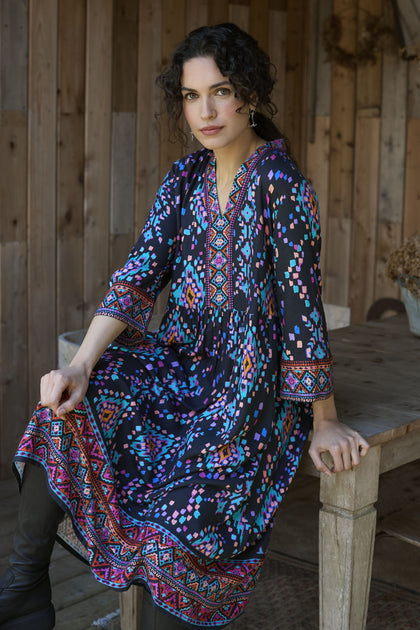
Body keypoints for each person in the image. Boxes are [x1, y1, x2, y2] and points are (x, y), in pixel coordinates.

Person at [0, 23, 369, 630]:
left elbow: (302, 307)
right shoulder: (185, 179)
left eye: (220, 91)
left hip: (248, 396)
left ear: (249, 93)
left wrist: (324, 421)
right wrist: (80, 364)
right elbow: (138, 277)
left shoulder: (281, 185)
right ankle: (24, 588)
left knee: (180, 524)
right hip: (182, 369)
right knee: (66, 407)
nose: (206, 110)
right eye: (192, 96)